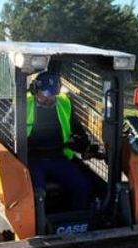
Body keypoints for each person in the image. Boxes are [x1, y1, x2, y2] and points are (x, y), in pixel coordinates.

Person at [25, 71, 92, 211]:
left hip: (59, 157)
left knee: (82, 185)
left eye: (53, 95)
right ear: (35, 90)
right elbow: (6, 128)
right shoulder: (23, 104)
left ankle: (76, 219)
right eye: (46, 95)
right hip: (31, 159)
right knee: (36, 192)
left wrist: (84, 144)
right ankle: (39, 224)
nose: (50, 99)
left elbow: (77, 129)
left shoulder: (63, 103)